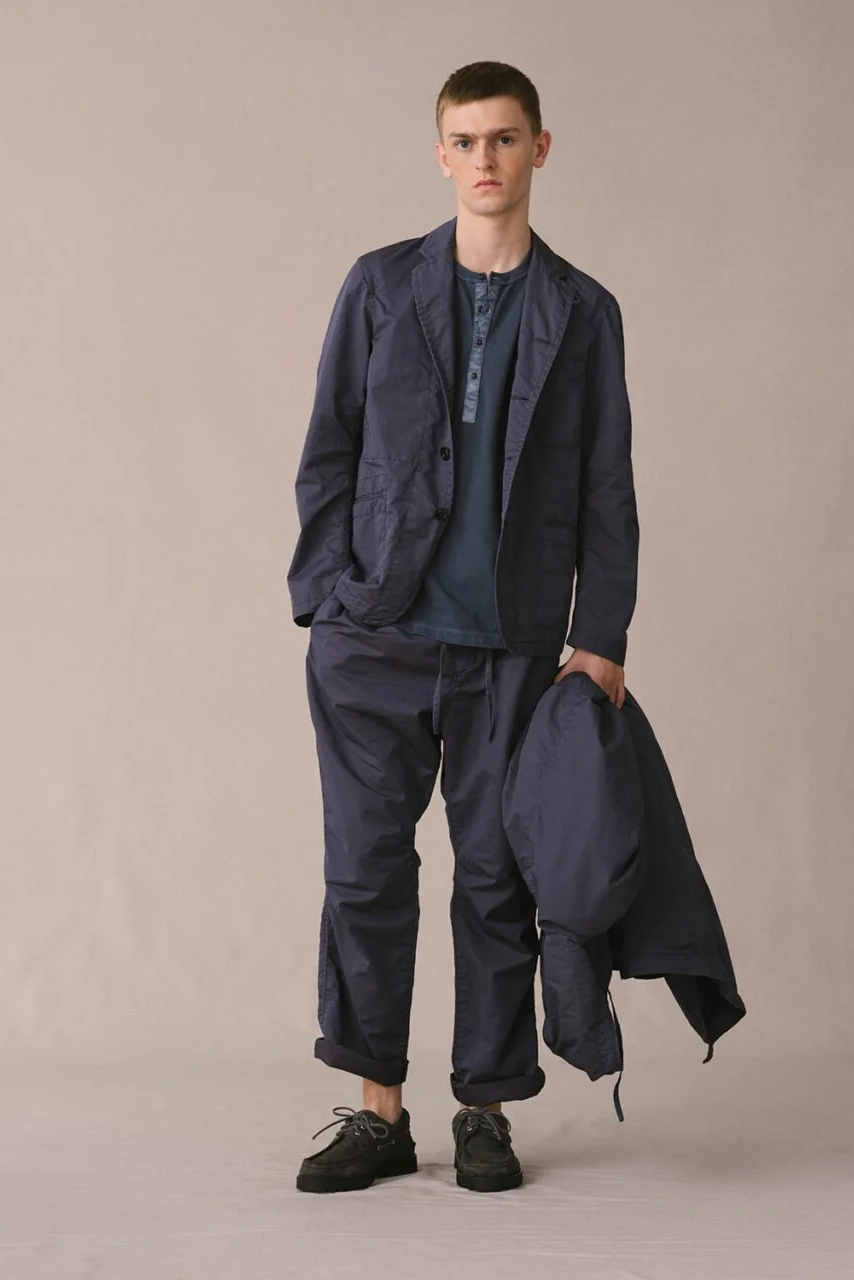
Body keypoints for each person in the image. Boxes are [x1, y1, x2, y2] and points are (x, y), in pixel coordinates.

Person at [288, 60, 639, 1194]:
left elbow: (606, 486)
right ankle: (377, 1113)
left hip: (513, 651)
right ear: (440, 154)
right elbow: (329, 447)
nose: (484, 158)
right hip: (374, 640)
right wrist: (325, 601)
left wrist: (600, 637)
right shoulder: (380, 285)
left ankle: (484, 1108)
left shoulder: (583, 312)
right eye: (465, 140)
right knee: (363, 874)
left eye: (503, 138)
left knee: (495, 879)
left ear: (540, 147)